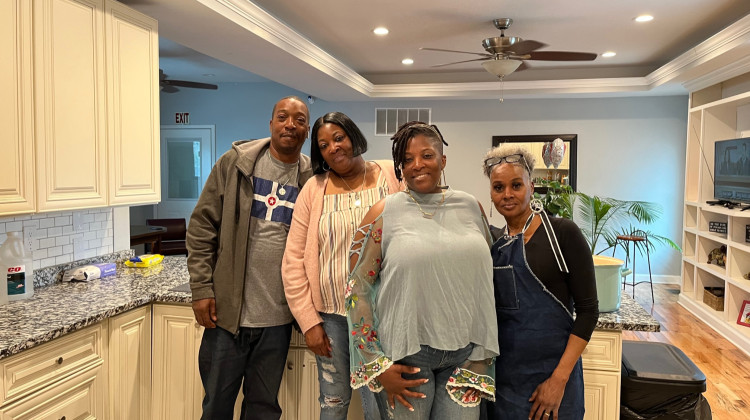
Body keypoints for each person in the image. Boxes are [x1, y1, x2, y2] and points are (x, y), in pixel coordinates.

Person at [345, 121, 498, 419]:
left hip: (466, 357)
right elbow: (357, 288)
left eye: (427, 155)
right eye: (407, 159)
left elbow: (487, 279)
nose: (417, 165)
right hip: (405, 357)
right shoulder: (384, 212)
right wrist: (377, 363)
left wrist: (484, 356)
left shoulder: (471, 207)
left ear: (443, 160)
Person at [186, 96, 313, 420]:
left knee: (264, 408)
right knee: (216, 406)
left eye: (299, 120)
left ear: (307, 130)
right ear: (271, 123)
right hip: (228, 317)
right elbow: (202, 226)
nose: (290, 125)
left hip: (278, 320)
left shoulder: (311, 178)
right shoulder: (235, 164)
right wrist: (201, 289)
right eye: (283, 117)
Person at [282, 111, 401, 419]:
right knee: (333, 403)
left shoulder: (390, 175)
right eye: (323, 145)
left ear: (353, 137)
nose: (333, 148)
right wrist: (309, 321)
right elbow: (293, 259)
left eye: (338, 138)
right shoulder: (314, 189)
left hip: (383, 314)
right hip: (332, 318)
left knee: (381, 403)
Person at [481, 144, 599, 420]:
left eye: (516, 185)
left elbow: (588, 311)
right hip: (505, 380)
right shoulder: (492, 242)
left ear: (531, 187)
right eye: (498, 188)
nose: (507, 194)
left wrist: (558, 380)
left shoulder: (562, 234)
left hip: (554, 377)